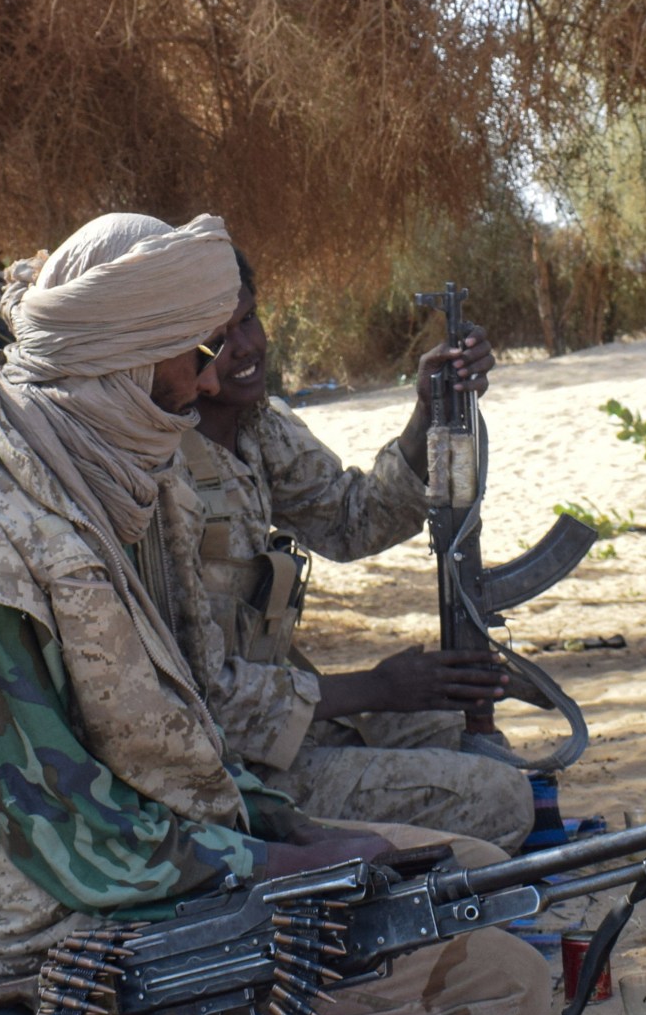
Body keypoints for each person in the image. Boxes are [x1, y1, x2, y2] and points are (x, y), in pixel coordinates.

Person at [0, 213, 550, 1015]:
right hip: (54, 911)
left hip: (177, 843)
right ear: (131, 359)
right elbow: (66, 831)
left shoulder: (120, 469)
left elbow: (178, 725)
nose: (212, 377)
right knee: (500, 990)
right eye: (199, 352)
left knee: (470, 878)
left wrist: (286, 830)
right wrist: (280, 862)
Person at [169, 249, 534, 852]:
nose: (246, 348)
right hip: (224, 773)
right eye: (217, 339)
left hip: (276, 723)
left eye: (249, 320)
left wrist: (428, 411)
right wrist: (376, 688)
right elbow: (199, 698)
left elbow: (351, 520)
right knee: (500, 799)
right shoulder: (162, 472)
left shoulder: (258, 427)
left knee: (445, 725)